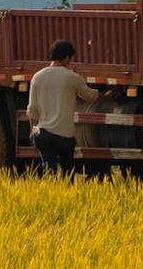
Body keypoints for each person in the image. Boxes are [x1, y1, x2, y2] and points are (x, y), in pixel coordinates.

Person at [26, 38, 98, 175]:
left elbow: (32, 111)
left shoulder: (37, 77)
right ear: (66, 57)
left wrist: (33, 132)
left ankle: (50, 194)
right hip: (64, 137)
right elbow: (90, 96)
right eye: (70, 59)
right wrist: (103, 94)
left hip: (43, 134)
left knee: (49, 172)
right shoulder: (72, 77)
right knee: (67, 174)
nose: (70, 63)